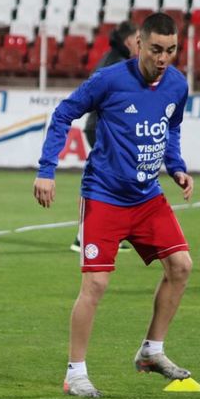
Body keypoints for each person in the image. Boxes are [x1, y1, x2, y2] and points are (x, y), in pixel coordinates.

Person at [33, 12, 194, 398]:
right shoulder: (109, 80)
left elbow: (170, 127)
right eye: (156, 49)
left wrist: (176, 167)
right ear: (139, 42)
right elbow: (63, 114)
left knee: (181, 266)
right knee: (96, 283)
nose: (163, 58)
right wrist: (46, 169)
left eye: (171, 50)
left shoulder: (177, 85)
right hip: (104, 197)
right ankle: (75, 373)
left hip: (148, 197)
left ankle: (152, 351)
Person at [70, 21, 139, 253]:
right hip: (103, 129)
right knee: (103, 181)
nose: (141, 43)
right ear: (129, 40)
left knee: (113, 180)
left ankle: (105, 234)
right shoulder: (118, 64)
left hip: (102, 127)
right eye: (139, 38)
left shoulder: (113, 59)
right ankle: (83, 237)